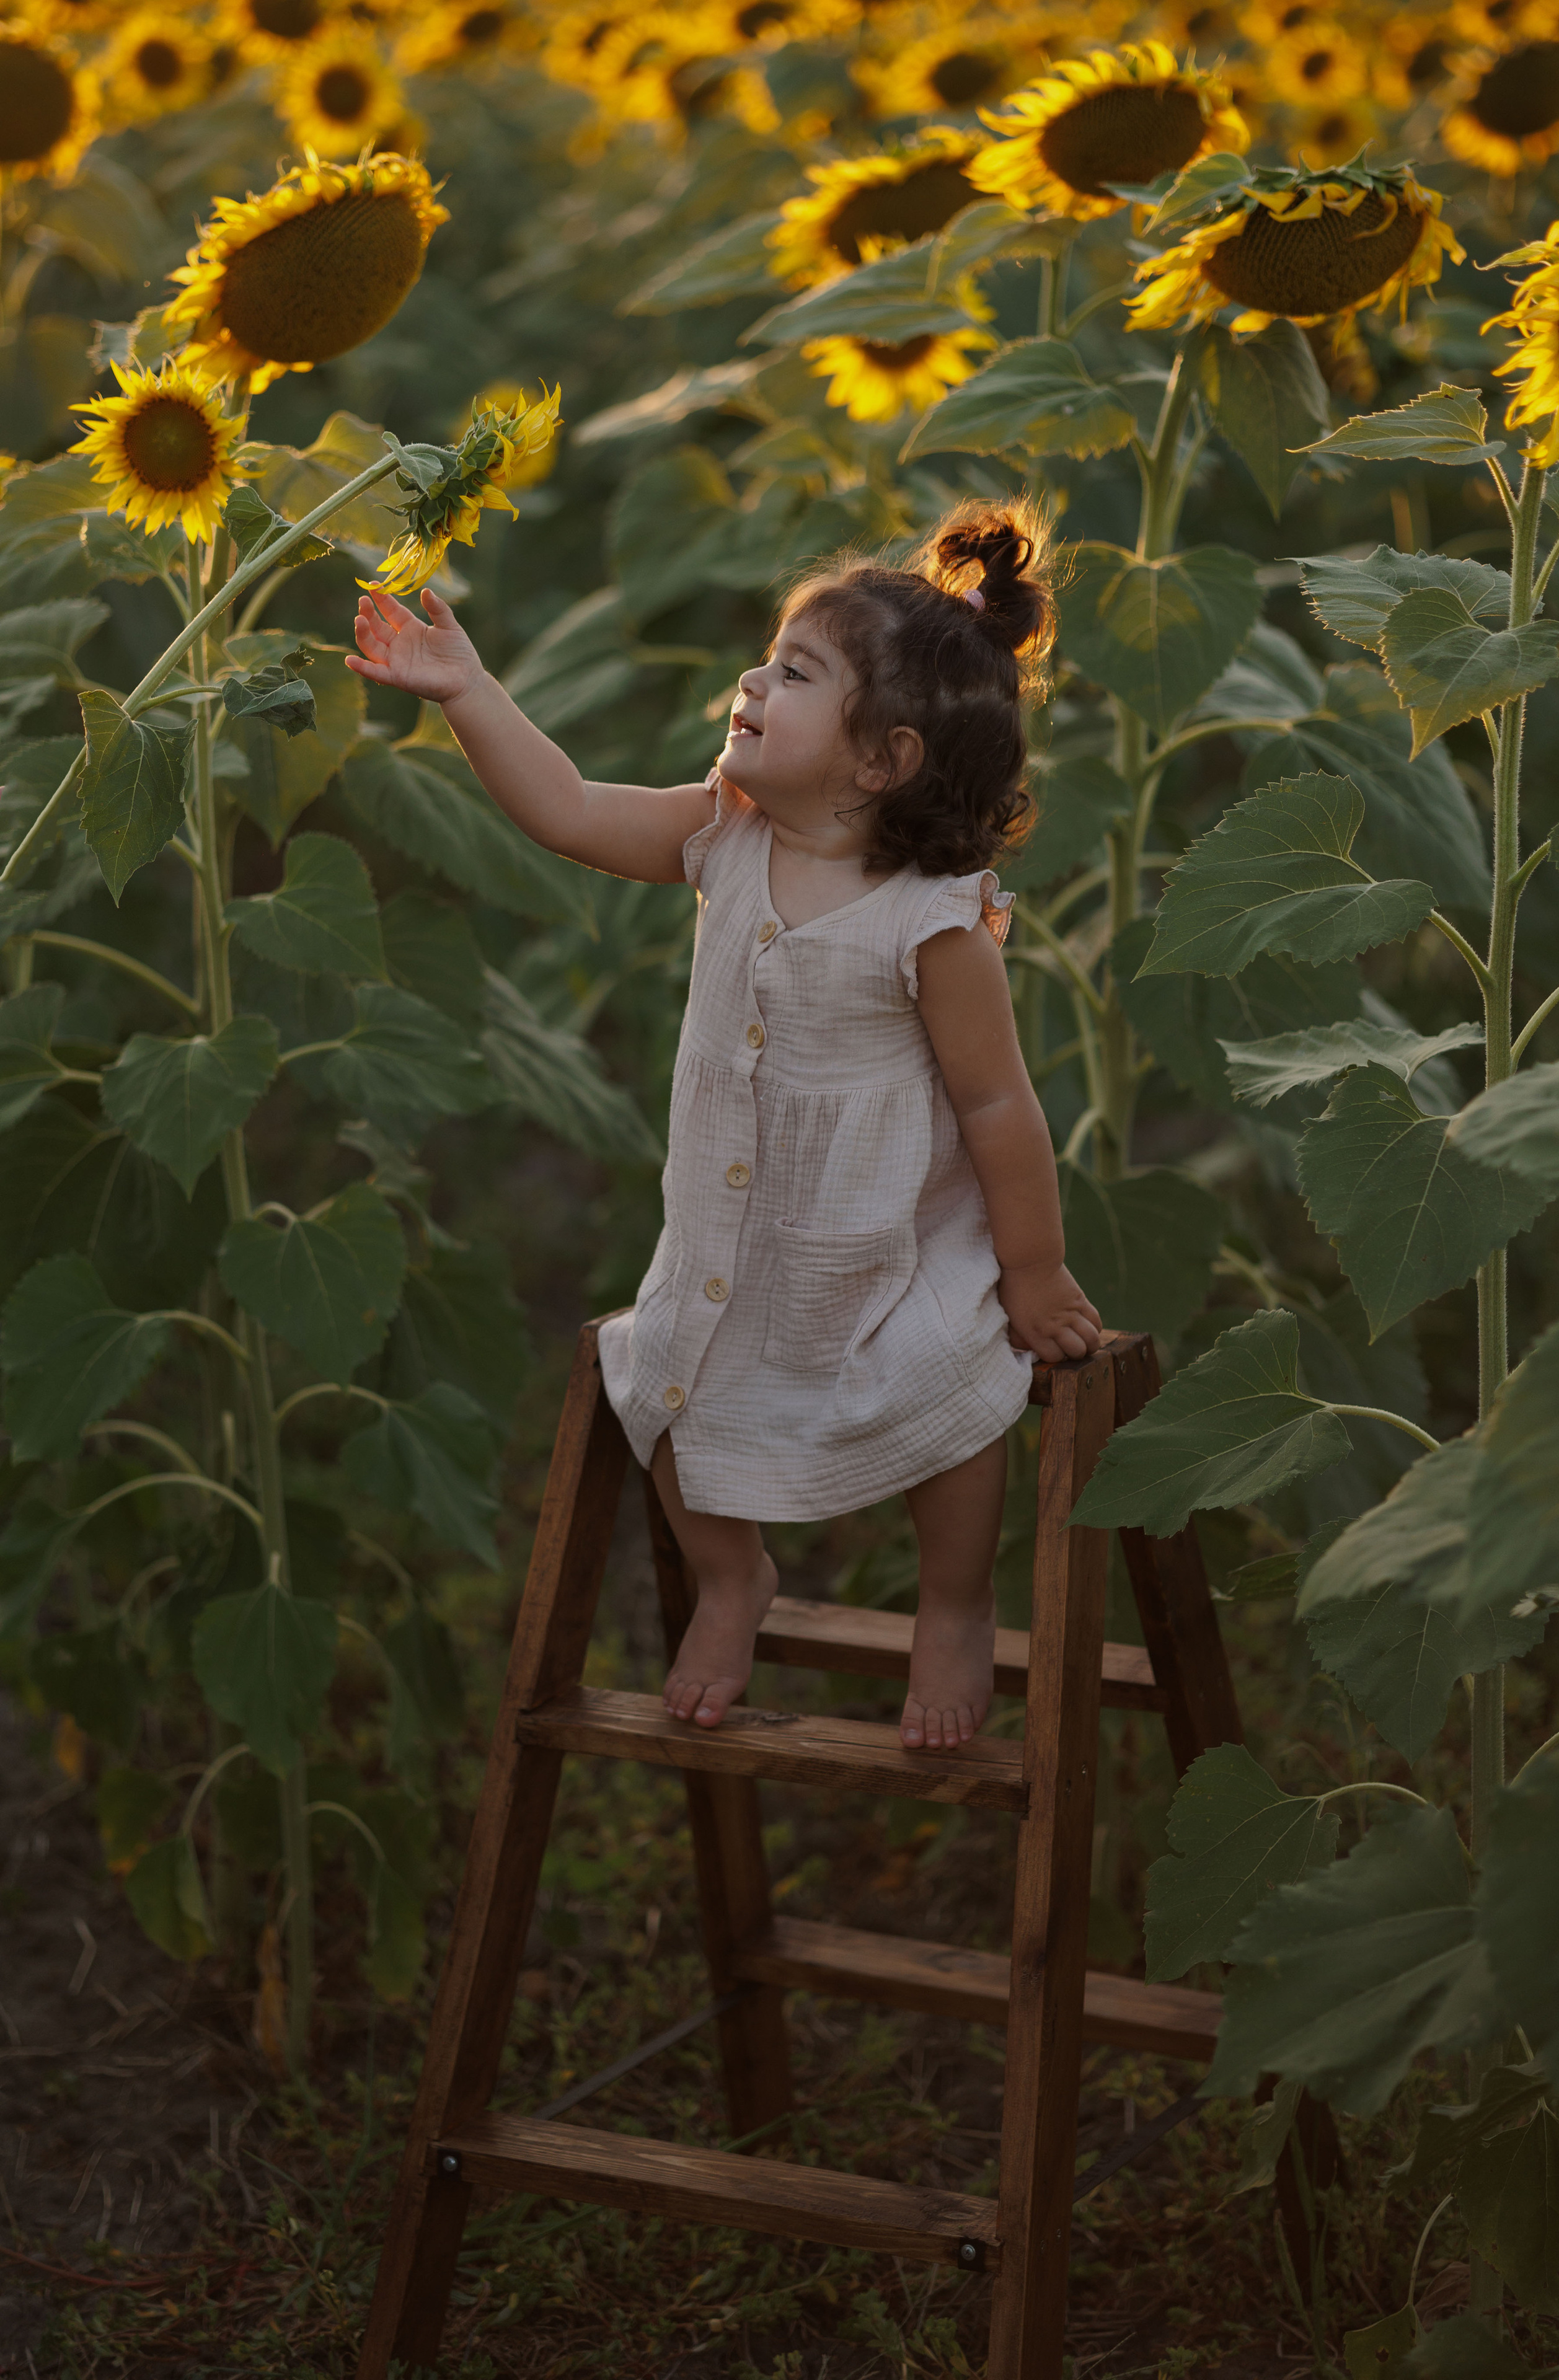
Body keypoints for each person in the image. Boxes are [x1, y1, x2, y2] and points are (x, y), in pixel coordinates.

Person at [347, 501, 1102, 1755]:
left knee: (957, 1397)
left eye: (794, 673)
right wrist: (469, 692)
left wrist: (1028, 1272)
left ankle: (956, 1606)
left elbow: (996, 1104)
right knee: (658, 1386)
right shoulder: (724, 835)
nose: (751, 681)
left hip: (888, 1244)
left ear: (883, 760)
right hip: (733, 1239)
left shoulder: (929, 921)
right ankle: (732, 1577)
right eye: (765, 658)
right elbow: (572, 810)